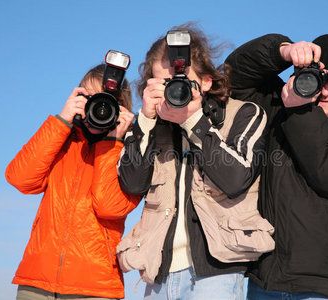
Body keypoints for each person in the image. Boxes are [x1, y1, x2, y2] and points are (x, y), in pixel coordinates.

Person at [225, 34, 328, 300]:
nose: (325, 90)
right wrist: (282, 51)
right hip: (266, 281)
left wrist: (301, 110)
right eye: (319, 78)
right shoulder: (281, 107)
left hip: (326, 287)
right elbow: (233, 76)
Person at [116, 24, 275, 300]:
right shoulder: (149, 127)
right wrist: (145, 120)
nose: (174, 90)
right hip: (157, 271)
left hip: (217, 273)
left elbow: (236, 179)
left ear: (207, 81)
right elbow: (131, 183)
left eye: (182, 80)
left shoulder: (244, 114)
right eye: (164, 83)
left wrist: (193, 122)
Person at [5, 63, 141, 300]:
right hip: (36, 281)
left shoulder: (130, 151)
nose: (95, 108)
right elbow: (20, 179)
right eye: (87, 97)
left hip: (94, 287)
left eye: (103, 101)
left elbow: (109, 206)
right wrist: (62, 120)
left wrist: (111, 143)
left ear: (120, 108)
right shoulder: (62, 140)